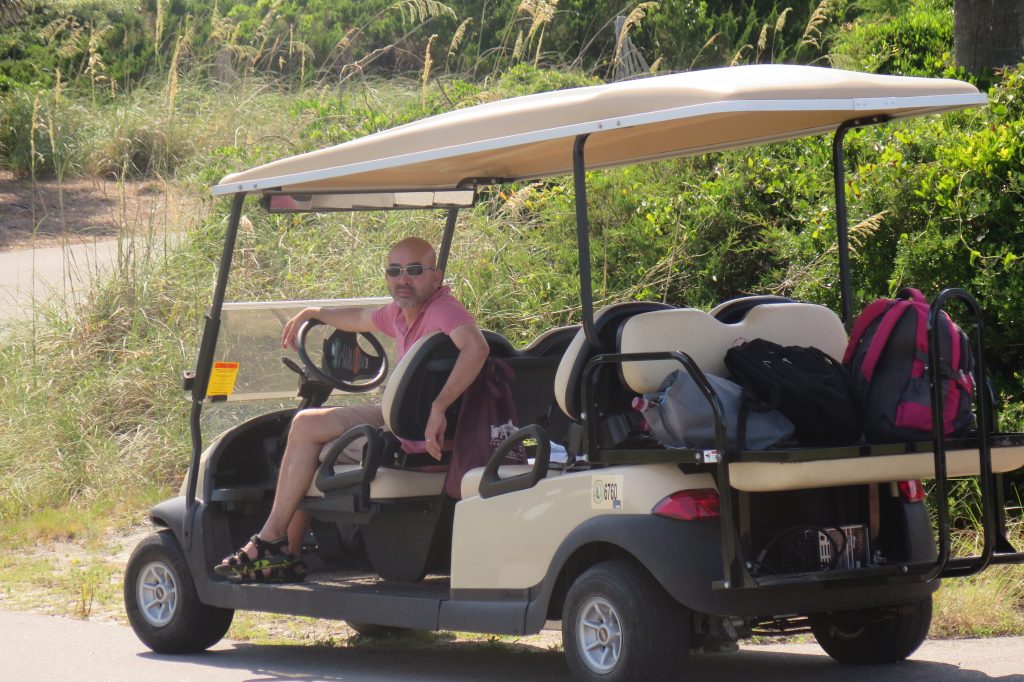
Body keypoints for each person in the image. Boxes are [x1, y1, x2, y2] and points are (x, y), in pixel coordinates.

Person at [214, 236, 489, 582]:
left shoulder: (442, 309)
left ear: (436, 277)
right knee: (306, 426)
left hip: (417, 436)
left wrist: (439, 405)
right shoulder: (401, 313)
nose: (403, 279)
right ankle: (284, 548)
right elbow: (360, 316)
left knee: (311, 446)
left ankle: (274, 543)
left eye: (414, 271)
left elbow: (476, 348)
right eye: (394, 271)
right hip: (401, 418)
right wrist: (315, 313)